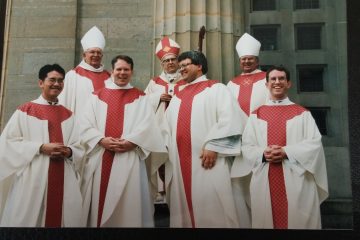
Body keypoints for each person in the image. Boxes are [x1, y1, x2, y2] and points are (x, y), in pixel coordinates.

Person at [234, 65, 328, 229]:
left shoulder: (302, 113)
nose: (277, 82)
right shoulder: (256, 115)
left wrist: (287, 152)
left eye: (281, 79)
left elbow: (314, 145)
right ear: (266, 84)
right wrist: (263, 153)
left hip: (296, 179)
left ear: (288, 83)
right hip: (265, 176)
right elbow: (247, 146)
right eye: (273, 79)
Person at [79, 55, 167, 227]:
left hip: (130, 158)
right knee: (100, 202)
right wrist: (101, 139)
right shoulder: (96, 96)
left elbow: (149, 125)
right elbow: (84, 124)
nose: (122, 73)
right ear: (112, 71)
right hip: (102, 156)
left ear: (132, 71)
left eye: (126, 69)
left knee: (130, 204)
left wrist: (132, 142)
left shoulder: (140, 97)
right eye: (118, 69)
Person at [163, 50, 243, 228]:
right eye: (180, 66)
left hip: (207, 159)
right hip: (179, 162)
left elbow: (231, 119)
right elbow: (165, 128)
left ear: (199, 66)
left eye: (186, 65)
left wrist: (214, 145)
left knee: (214, 207)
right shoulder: (177, 96)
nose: (181, 69)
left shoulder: (216, 89)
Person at [0, 64, 84, 227]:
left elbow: (80, 146)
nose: (56, 84)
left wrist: (69, 151)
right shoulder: (25, 110)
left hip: (63, 176)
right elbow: (7, 143)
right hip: (33, 177)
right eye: (52, 80)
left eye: (60, 81)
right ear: (41, 83)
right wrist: (40, 147)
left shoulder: (69, 115)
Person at [227, 32, 269, 228]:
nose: (246, 62)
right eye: (243, 59)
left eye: (250, 59)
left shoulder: (268, 80)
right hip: (238, 141)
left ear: (257, 60)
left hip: (261, 139)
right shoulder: (231, 84)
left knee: (261, 184)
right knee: (239, 183)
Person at [144, 36, 186, 203]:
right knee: (161, 159)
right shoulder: (154, 83)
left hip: (180, 129)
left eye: (173, 59)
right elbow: (143, 104)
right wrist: (157, 98)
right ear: (162, 64)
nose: (170, 63)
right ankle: (162, 192)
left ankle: (178, 191)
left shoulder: (187, 81)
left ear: (178, 61)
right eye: (166, 60)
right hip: (160, 129)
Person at [58, 26, 111, 116]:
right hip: (80, 125)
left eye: (99, 52)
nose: (96, 55)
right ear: (84, 55)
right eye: (92, 52)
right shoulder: (73, 76)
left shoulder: (110, 77)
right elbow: (64, 103)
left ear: (102, 56)